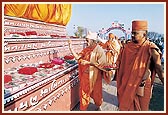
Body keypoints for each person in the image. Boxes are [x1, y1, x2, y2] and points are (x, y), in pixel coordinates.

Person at [115, 20, 164, 111]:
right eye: (132, 33)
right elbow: (120, 63)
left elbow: (158, 69)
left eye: (135, 33)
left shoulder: (151, 48)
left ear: (144, 34)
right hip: (126, 84)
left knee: (142, 109)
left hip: (142, 86)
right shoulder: (127, 47)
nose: (132, 35)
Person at [68, 31, 110, 111]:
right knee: (83, 93)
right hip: (85, 76)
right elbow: (78, 57)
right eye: (86, 40)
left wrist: (89, 62)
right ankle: (83, 109)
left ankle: (98, 105)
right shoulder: (86, 50)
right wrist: (70, 47)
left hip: (95, 77)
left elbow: (103, 65)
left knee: (97, 95)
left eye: (87, 40)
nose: (86, 42)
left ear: (93, 41)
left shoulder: (99, 50)